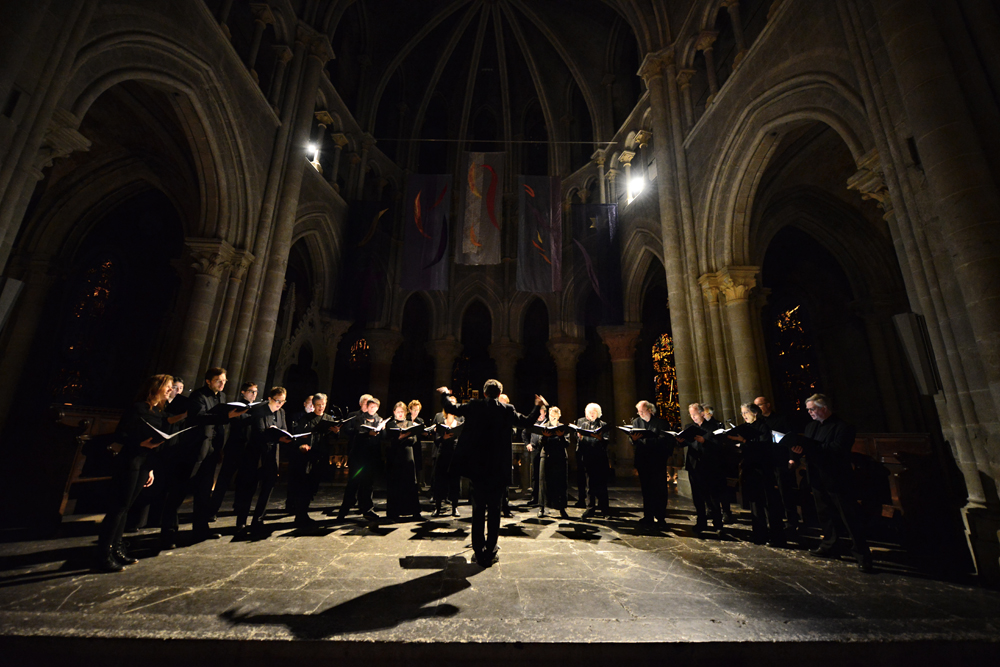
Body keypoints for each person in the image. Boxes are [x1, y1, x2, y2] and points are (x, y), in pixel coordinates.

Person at [438, 381, 544, 567]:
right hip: (498, 468)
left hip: (477, 467)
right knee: (495, 510)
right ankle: (491, 549)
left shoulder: (474, 405)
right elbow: (527, 422)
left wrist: (445, 393)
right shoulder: (507, 409)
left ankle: (479, 551)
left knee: (478, 509)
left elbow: (450, 408)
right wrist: (537, 406)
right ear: (499, 393)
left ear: (485, 392)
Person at [159, 367, 246, 548]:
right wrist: (225, 416)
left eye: (224, 381)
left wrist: (220, 446)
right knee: (179, 491)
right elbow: (198, 417)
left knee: (204, 492)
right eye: (218, 381)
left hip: (212, 450)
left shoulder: (221, 397)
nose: (222, 384)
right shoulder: (198, 396)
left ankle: (200, 529)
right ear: (208, 381)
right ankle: (168, 533)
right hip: (194, 449)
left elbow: (220, 425)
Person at [94, 374, 172, 572]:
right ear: (156, 387)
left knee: (126, 507)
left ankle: (117, 548)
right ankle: (103, 554)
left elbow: (154, 442)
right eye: (168, 387)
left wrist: (151, 468)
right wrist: (138, 443)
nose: (170, 390)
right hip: (130, 461)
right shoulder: (138, 408)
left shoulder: (158, 412)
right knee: (118, 507)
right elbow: (120, 435)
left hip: (144, 463)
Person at [793, 394, 873, 572]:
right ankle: (830, 545)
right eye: (808, 410)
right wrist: (798, 450)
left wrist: (810, 448)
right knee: (824, 513)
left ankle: (862, 554)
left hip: (837, 478)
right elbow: (809, 449)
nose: (810, 413)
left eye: (812, 409)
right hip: (816, 476)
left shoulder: (843, 427)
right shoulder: (810, 427)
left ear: (824, 408)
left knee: (849, 516)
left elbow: (837, 449)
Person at [233, 387, 292, 537]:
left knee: (267, 489)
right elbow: (259, 432)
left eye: (283, 401)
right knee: (248, 490)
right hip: (255, 456)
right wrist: (276, 436)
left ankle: (258, 519)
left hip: (271, 456)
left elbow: (284, 428)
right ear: (270, 399)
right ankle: (241, 522)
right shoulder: (260, 410)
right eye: (277, 400)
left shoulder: (281, 412)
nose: (280, 404)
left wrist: (284, 436)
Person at [728, 402, 784, 546]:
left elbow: (765, 447)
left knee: (768, 503)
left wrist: (744, 441)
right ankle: (759, 534)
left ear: (755, 413)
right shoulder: (745, 428)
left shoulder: (763, 426)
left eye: (746, 412)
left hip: (763, 469)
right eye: (742, 413)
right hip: (750, 468)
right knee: (755, 503)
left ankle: (776, 536)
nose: (744, 416)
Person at [288, 393, 343, 526]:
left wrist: (336, 432)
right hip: (307, 457)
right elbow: (297, 436)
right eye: (318, 405)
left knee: (314, 486)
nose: (320, 408)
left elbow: (334, 439)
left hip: (321, 455)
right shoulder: (306, 419)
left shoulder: (328, 418)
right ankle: (301, 514)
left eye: (323, 405)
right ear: (313, 405)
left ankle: (303, 512)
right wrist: (301, 445)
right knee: (304, 486)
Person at [208, 381, 258, 520]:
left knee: (243, 481)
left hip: (248, 449)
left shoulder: (254, 408)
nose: (254, 395)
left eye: (255, 392)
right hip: (234, 448)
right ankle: (212, 510)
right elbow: (236, 423)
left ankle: (239, 507)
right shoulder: (237, 407)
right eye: (251, 391)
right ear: (243, 392)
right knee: (224, 480)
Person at [676, 403, 725, 535]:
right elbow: (685, 444)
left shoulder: (713, 427)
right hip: (694, 465)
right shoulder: (689, 427)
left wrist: (705, 442)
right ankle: (701, 522)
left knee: (713, 496)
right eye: (691, 415)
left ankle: (718, 523)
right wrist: (679, 441)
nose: (693, 417)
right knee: (697, 496)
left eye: (695, 414)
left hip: (709, 465)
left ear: (702, 413)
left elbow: (719, 445)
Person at [754, 395, 800, 536]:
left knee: (784, 491)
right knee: (770, 493)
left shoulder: (781, 419)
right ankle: (776, 520)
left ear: (768, 405)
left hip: (780, 459)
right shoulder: (759, 421)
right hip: (766, 461)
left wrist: (792, 459)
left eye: (760, 405)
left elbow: (791, 438)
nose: (758, 409)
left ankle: (792, 521)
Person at [628, 400, 674, 530]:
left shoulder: (661, 423)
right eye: (639, 411)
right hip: (643, 460)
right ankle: (648, 515)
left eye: (642, 411)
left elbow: (666, 440)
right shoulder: (637, 422)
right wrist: (633, 439)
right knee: (646, 489)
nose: (640, 413)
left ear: (650, 410)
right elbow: (632, 439)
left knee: (659, 489)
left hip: (657, 460)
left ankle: (660, 517)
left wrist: (648, 439)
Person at [337, 396, 383, 521]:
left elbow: (382, 438)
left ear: (377, 408)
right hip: (358, 456)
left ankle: (367, 510)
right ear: (366, 407)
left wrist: (382, 430)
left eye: (375, 407)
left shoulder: (379, 419)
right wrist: (368, 433)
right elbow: (358, 431)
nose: (372, 409)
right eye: (370, 406)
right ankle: (343, 511)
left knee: (368, 485)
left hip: (371, 457)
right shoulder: (359, 418)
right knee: (353, 483)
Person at [384, 401, 421, 520]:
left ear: (405, 413)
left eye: (402, 412)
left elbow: (413, 440)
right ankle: (393, 512)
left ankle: (413, 512)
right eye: (398, 411)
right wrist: (403, 437)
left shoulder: (410, 423)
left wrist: (402, 437)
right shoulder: (390, 424)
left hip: (408, 456)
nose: (400, 414)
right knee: (395, 484)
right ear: (394, 412)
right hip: (395, 457)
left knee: (410, 483)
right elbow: (389, 440)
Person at [576, 403, 609, 518]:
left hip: (600, 458)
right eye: (589, 412)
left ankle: (605, 510)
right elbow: (581, 444)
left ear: (598, 413)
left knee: (602, 485)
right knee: (589, 485)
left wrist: (600, 438)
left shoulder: (603, 425)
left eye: (594, 412)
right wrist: (580, 437)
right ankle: (590, 509)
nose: (591, 414)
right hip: (588, 458)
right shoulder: (583, 425)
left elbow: (606, 441)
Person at [537, 406, 569, 519]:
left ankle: (562, 509)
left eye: (555, 416)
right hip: (546, 456)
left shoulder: (562, 428)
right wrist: (545, 437)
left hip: (559, 457)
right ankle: (541, 508)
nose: (553, 417)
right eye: (551, 416)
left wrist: (561, 437)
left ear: (559, 416)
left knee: (561, 483)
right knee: (543, 482)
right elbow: (540, 444)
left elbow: (567, 444)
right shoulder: (544, 427)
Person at [431, 411, 462, 517]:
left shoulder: (458, 424)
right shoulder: (441, 423)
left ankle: (455, 507)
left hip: (454, 455)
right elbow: (436, 441)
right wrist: (443, 438)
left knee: (454, 482)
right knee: (439, 481)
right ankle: (438, 507)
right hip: (442, 454)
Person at [522, 404, 548, 506]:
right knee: (535, 475)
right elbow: (524, 433)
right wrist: (527, 444)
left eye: (541, 413)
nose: (539, 416)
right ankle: (535, 497)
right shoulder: (533, 423)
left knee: (544, 474)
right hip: (535, 450)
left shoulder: (548, 423)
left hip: (545, 450)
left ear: (545, 413)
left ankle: (544, 498)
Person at [408, 400, 426, 488]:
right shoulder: (406, 418)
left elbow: (423, 434)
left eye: (418, 410)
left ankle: (417, 485)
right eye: (414, 409)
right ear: (410, 410)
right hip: (408, 445)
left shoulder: (420, 420)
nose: (416, 412)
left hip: (416, 445)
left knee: (417, 465)